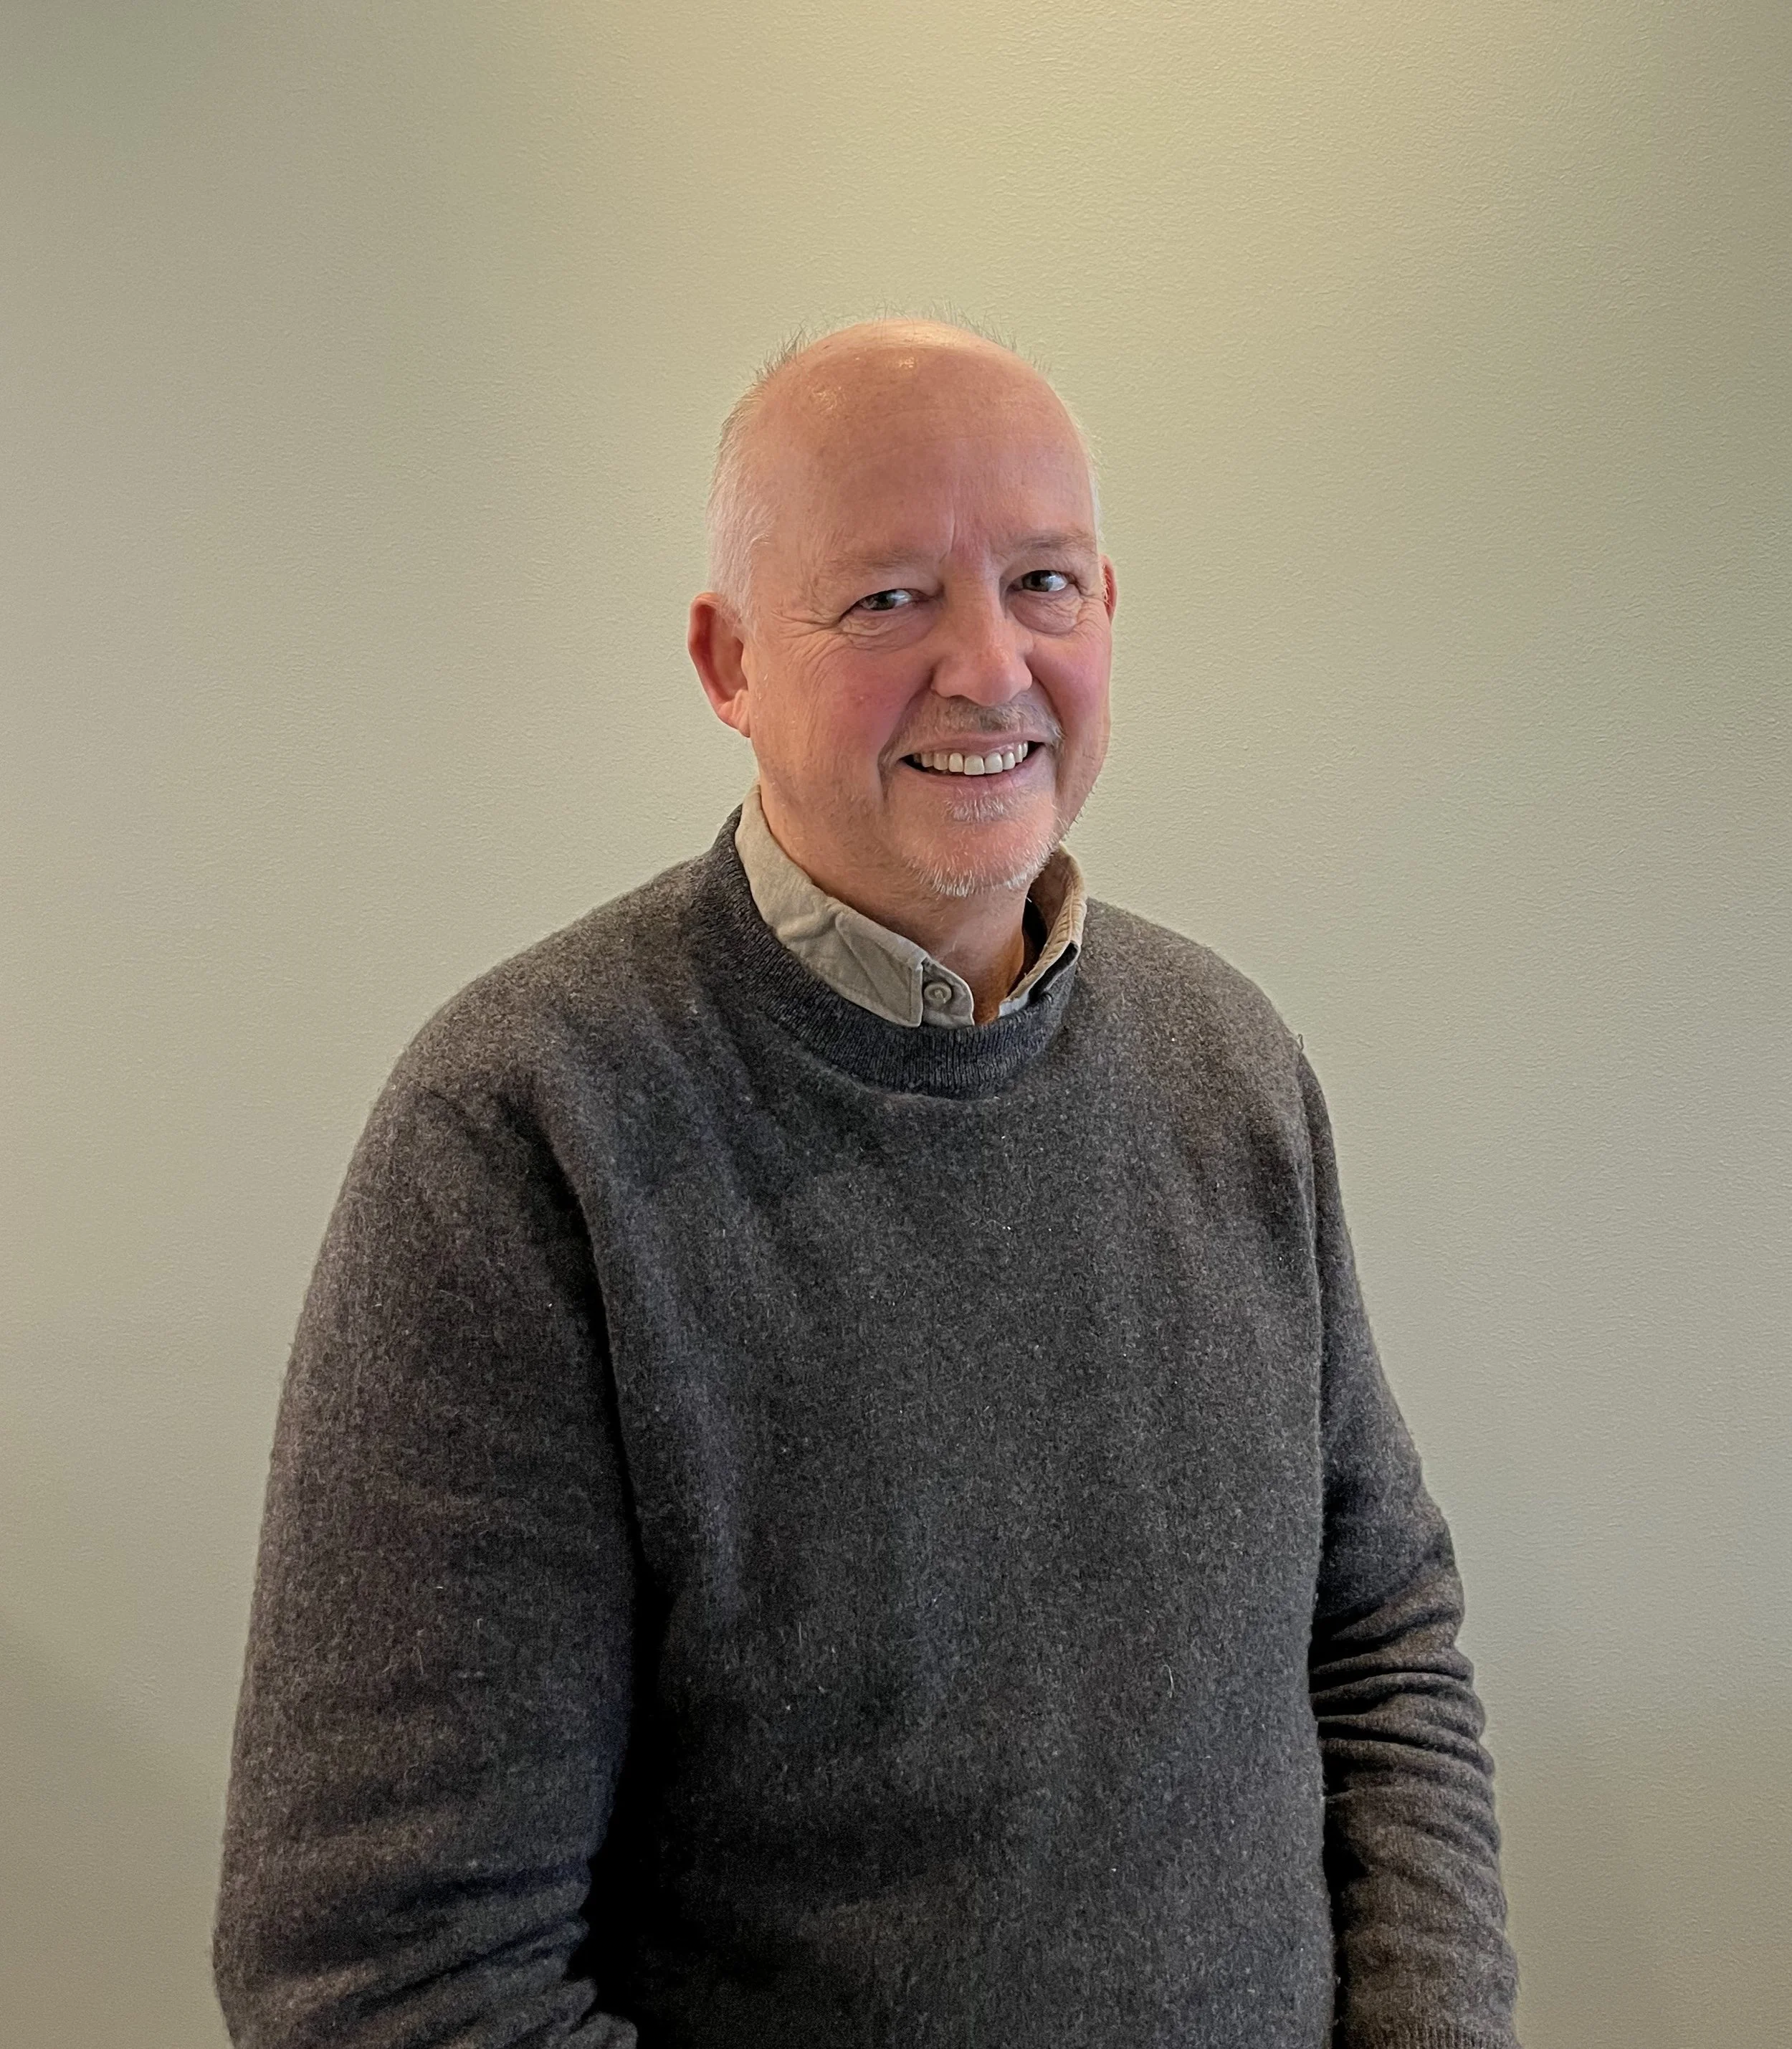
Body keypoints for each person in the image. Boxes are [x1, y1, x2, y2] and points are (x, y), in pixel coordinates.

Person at [215, 320, 1521, 2049]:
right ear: (727, 659)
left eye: (1042, 583)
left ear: (1108, 613)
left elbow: (1379, 1642)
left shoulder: (1229, 1067)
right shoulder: (525, 1132)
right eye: (889, 598)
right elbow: (388, 1981)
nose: (989, 668)